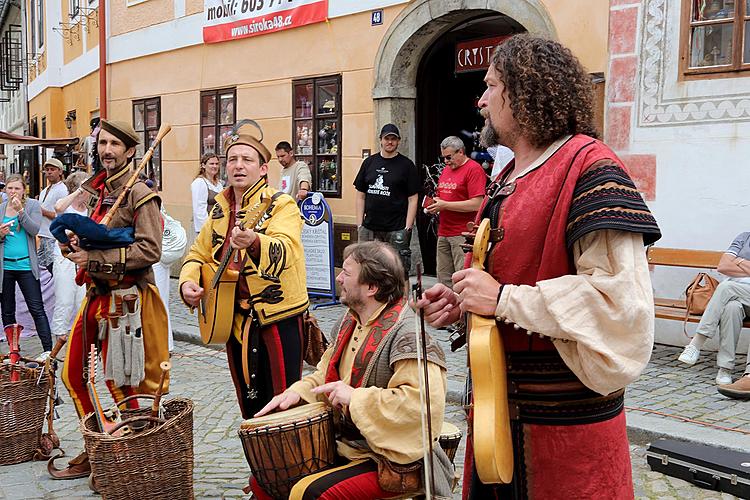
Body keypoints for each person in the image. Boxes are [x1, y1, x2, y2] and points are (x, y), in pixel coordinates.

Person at [414, 34, 661, 499]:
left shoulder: (589, 167)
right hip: (495, 416)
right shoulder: (506, 176)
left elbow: (620, 305)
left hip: (565, 432)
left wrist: (504, 299)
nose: (481, 99)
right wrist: (464, 301)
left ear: (523, 92)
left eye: (490, 86)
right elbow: (502, 278)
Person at [254, 241, 453, 500]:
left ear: (372, 287)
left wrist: (354, 398)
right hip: (348, 445)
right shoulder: (350, 320)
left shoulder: (408, 335)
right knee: (266, 479)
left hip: (393, 459)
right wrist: (297, 393)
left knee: (311, 494)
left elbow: (421, 408)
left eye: (346, 274)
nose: (338, 278)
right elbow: (324, 375)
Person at [49, 119, 170, 479]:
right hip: (95, 295)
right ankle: (99, 444)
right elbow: (93, 239)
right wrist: (73, 245)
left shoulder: (140, 194)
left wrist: (96, 259)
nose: (107, 150)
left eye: (115, 145)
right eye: (103, 143)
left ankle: (130, 462)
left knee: (125, 384)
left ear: (130, 151)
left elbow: (150, 249)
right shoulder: (100, 192)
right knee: (73, 374)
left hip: (127, 301)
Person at [179, 123, 309, 418]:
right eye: (232, 160)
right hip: (230, 316)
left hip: (278, 317)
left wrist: (254, 241)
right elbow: (197, 252)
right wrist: (187, 282)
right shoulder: (219, 209)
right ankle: (260, 462)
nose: (238, 166)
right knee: (249, 402)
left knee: (285, 403)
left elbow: (287, 249)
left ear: (263, 169)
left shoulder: (281, 205)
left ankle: (294, 463)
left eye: (247, 160)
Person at [678, 232, 750, 398]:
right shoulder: (744, 238)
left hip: (731, 289)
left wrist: (738, 262)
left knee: (725, 288)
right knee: (731, 308)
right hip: (737, 299)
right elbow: (723, 266)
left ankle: (696, 343)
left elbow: (730, 265)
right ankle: (725, 369)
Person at [354, 123, 420, 278]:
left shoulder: (407, 165)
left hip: (396, 228)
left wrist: (407, 228)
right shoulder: (369, 163)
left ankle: (401, 301)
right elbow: (360, 195)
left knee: (399, 270)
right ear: (381, 140)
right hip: (370, 227)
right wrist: (359, 225)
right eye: (386, 138)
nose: (390, 142)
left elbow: (413, 199)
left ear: (398, 141)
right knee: (368, 270)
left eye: (393, 139)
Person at [0, 175, 53, 359]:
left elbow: (34, 229)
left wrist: (20, 211)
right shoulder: (0, 208)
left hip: (25, 265)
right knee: (7, 309)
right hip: (5, 266)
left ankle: (48, 349)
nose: (13, 192)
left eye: (16, 188)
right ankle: (13, 349)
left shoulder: (32, 206)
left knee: (36, 307)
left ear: (24, 190)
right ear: (5, 190)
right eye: (9, 188)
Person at [425, 136, 486, 289]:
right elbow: (445, 195)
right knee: (444, 280)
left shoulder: (473, 169)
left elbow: (478, 203)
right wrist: (435, 204)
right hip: (444, 231)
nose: (446, 161)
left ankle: (462, 313)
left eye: (449, 157)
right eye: (443, 157)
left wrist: (445, 205)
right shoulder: (447, 169)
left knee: (462, 280)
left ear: (461, 152)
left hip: (462, 233)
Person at [147, 179, 186, 353]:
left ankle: (161, 343)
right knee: (160, 300)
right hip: (160, 258)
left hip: (154, 258)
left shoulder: (151, 205)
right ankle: (164, 343)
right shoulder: (157, 204)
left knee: (157, 301)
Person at [49, 171, 89, 339]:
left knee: (82, 300)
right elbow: (58, 208)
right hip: (65, 257)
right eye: (87, 185)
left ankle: (78, 335)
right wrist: (80, 190)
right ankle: (60, 336)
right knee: (64, 299)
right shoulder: (66, 206)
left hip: (82, 258)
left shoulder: (89, 208)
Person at [37, 158, 69, 273]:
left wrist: (43, 212)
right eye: (47, 169)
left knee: (53, 267)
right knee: (41, 267)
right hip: (44, 235)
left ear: (60, 172)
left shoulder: (62, 190)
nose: (49, 172)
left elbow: (63, 217)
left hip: (53, 237)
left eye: (53, 169)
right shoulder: (44, 190)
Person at [191, 153, 224, 234]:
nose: (215, 166)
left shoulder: (218, 184)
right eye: (211, 164)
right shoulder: (200, 182)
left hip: (218, 226)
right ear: (203, 165)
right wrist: (208, 229)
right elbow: (199, 209)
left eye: (217, 164)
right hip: (206, 229)